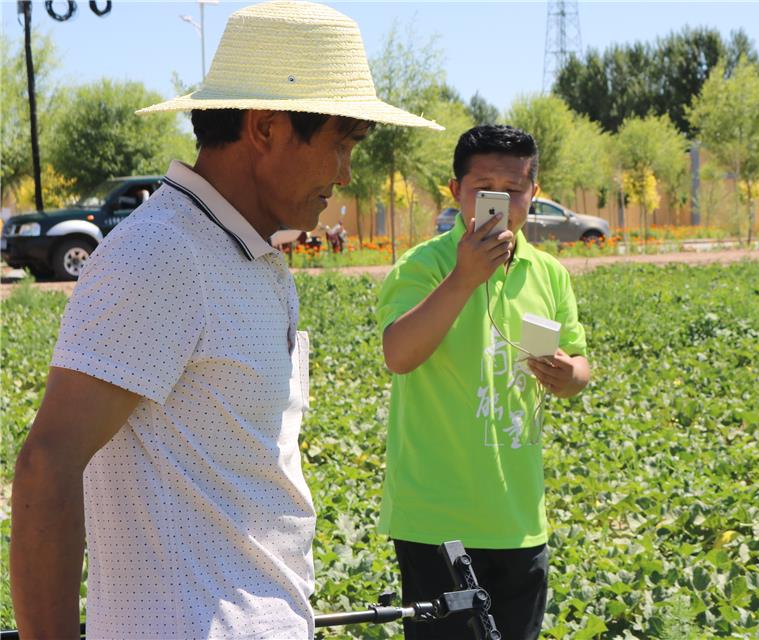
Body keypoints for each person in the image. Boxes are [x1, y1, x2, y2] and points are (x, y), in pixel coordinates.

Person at [10, 2, 440, 639]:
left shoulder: (249, 253)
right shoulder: (162, 255)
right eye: (339, 144)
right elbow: (47, 464)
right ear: (265, 127)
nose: (345, 174)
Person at [376, 124, 591, 640]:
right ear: (456, 191)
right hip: (435, 523)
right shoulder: (423, 266)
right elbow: (399, 355)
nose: (502, 200)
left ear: (533, 194)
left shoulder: (548, 274)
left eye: (515, 188)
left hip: (518, 518)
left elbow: (580, 367)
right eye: (484, 187)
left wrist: (567, 375)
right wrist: (465, 277)